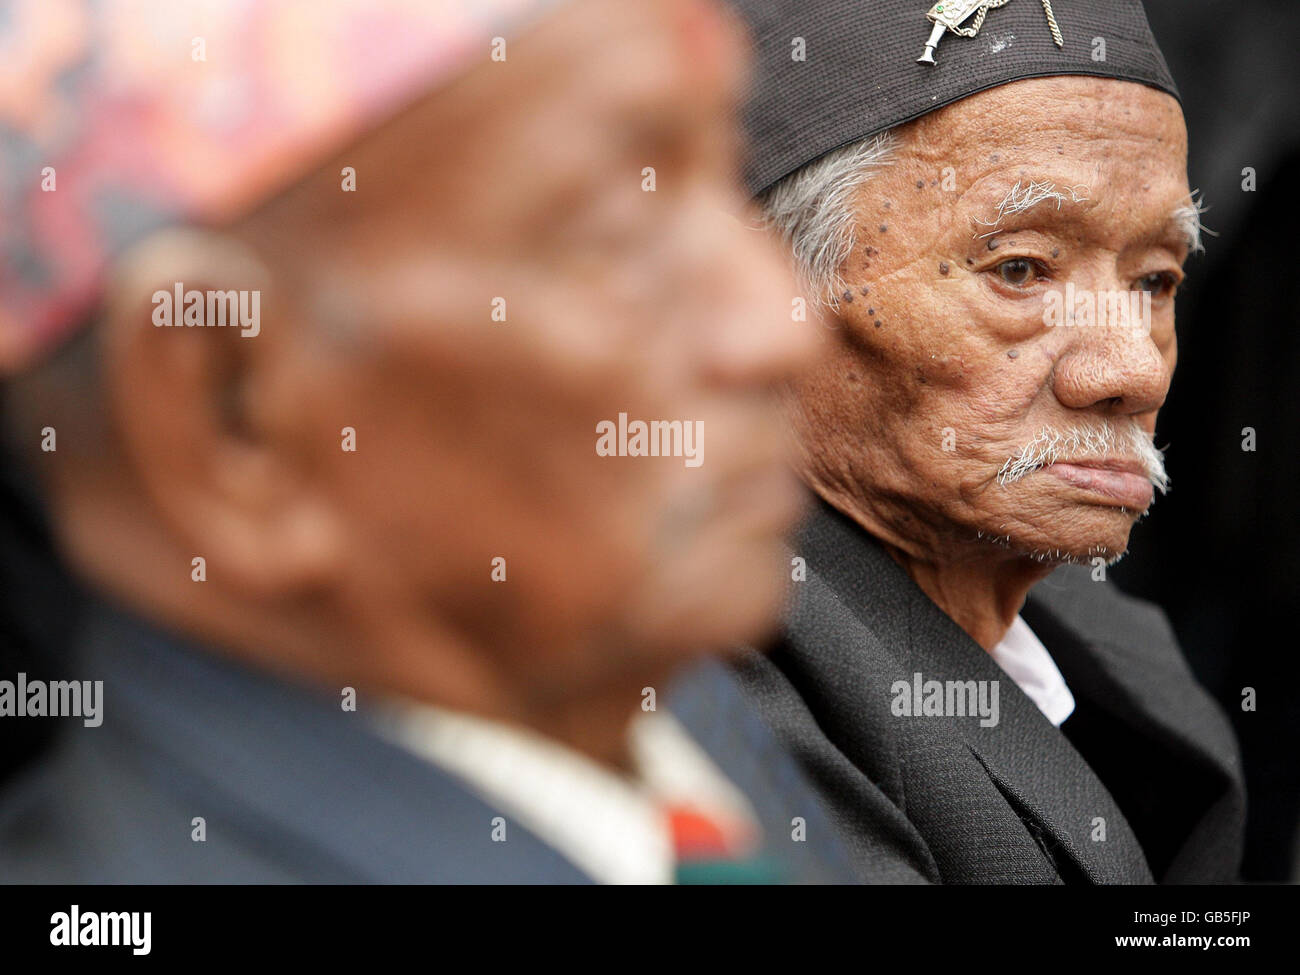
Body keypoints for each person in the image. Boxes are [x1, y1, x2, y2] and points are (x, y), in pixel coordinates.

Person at [0, 0, 851, 883]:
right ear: (230, 416)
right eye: (614, 235)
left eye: (725, 174)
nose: (776, 323)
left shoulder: (652, 711)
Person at [725, 0, 1245, 883]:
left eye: (1156, 280)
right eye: (1019, 269)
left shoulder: (1113, 650)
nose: (1134, 371)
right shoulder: (707, 679)